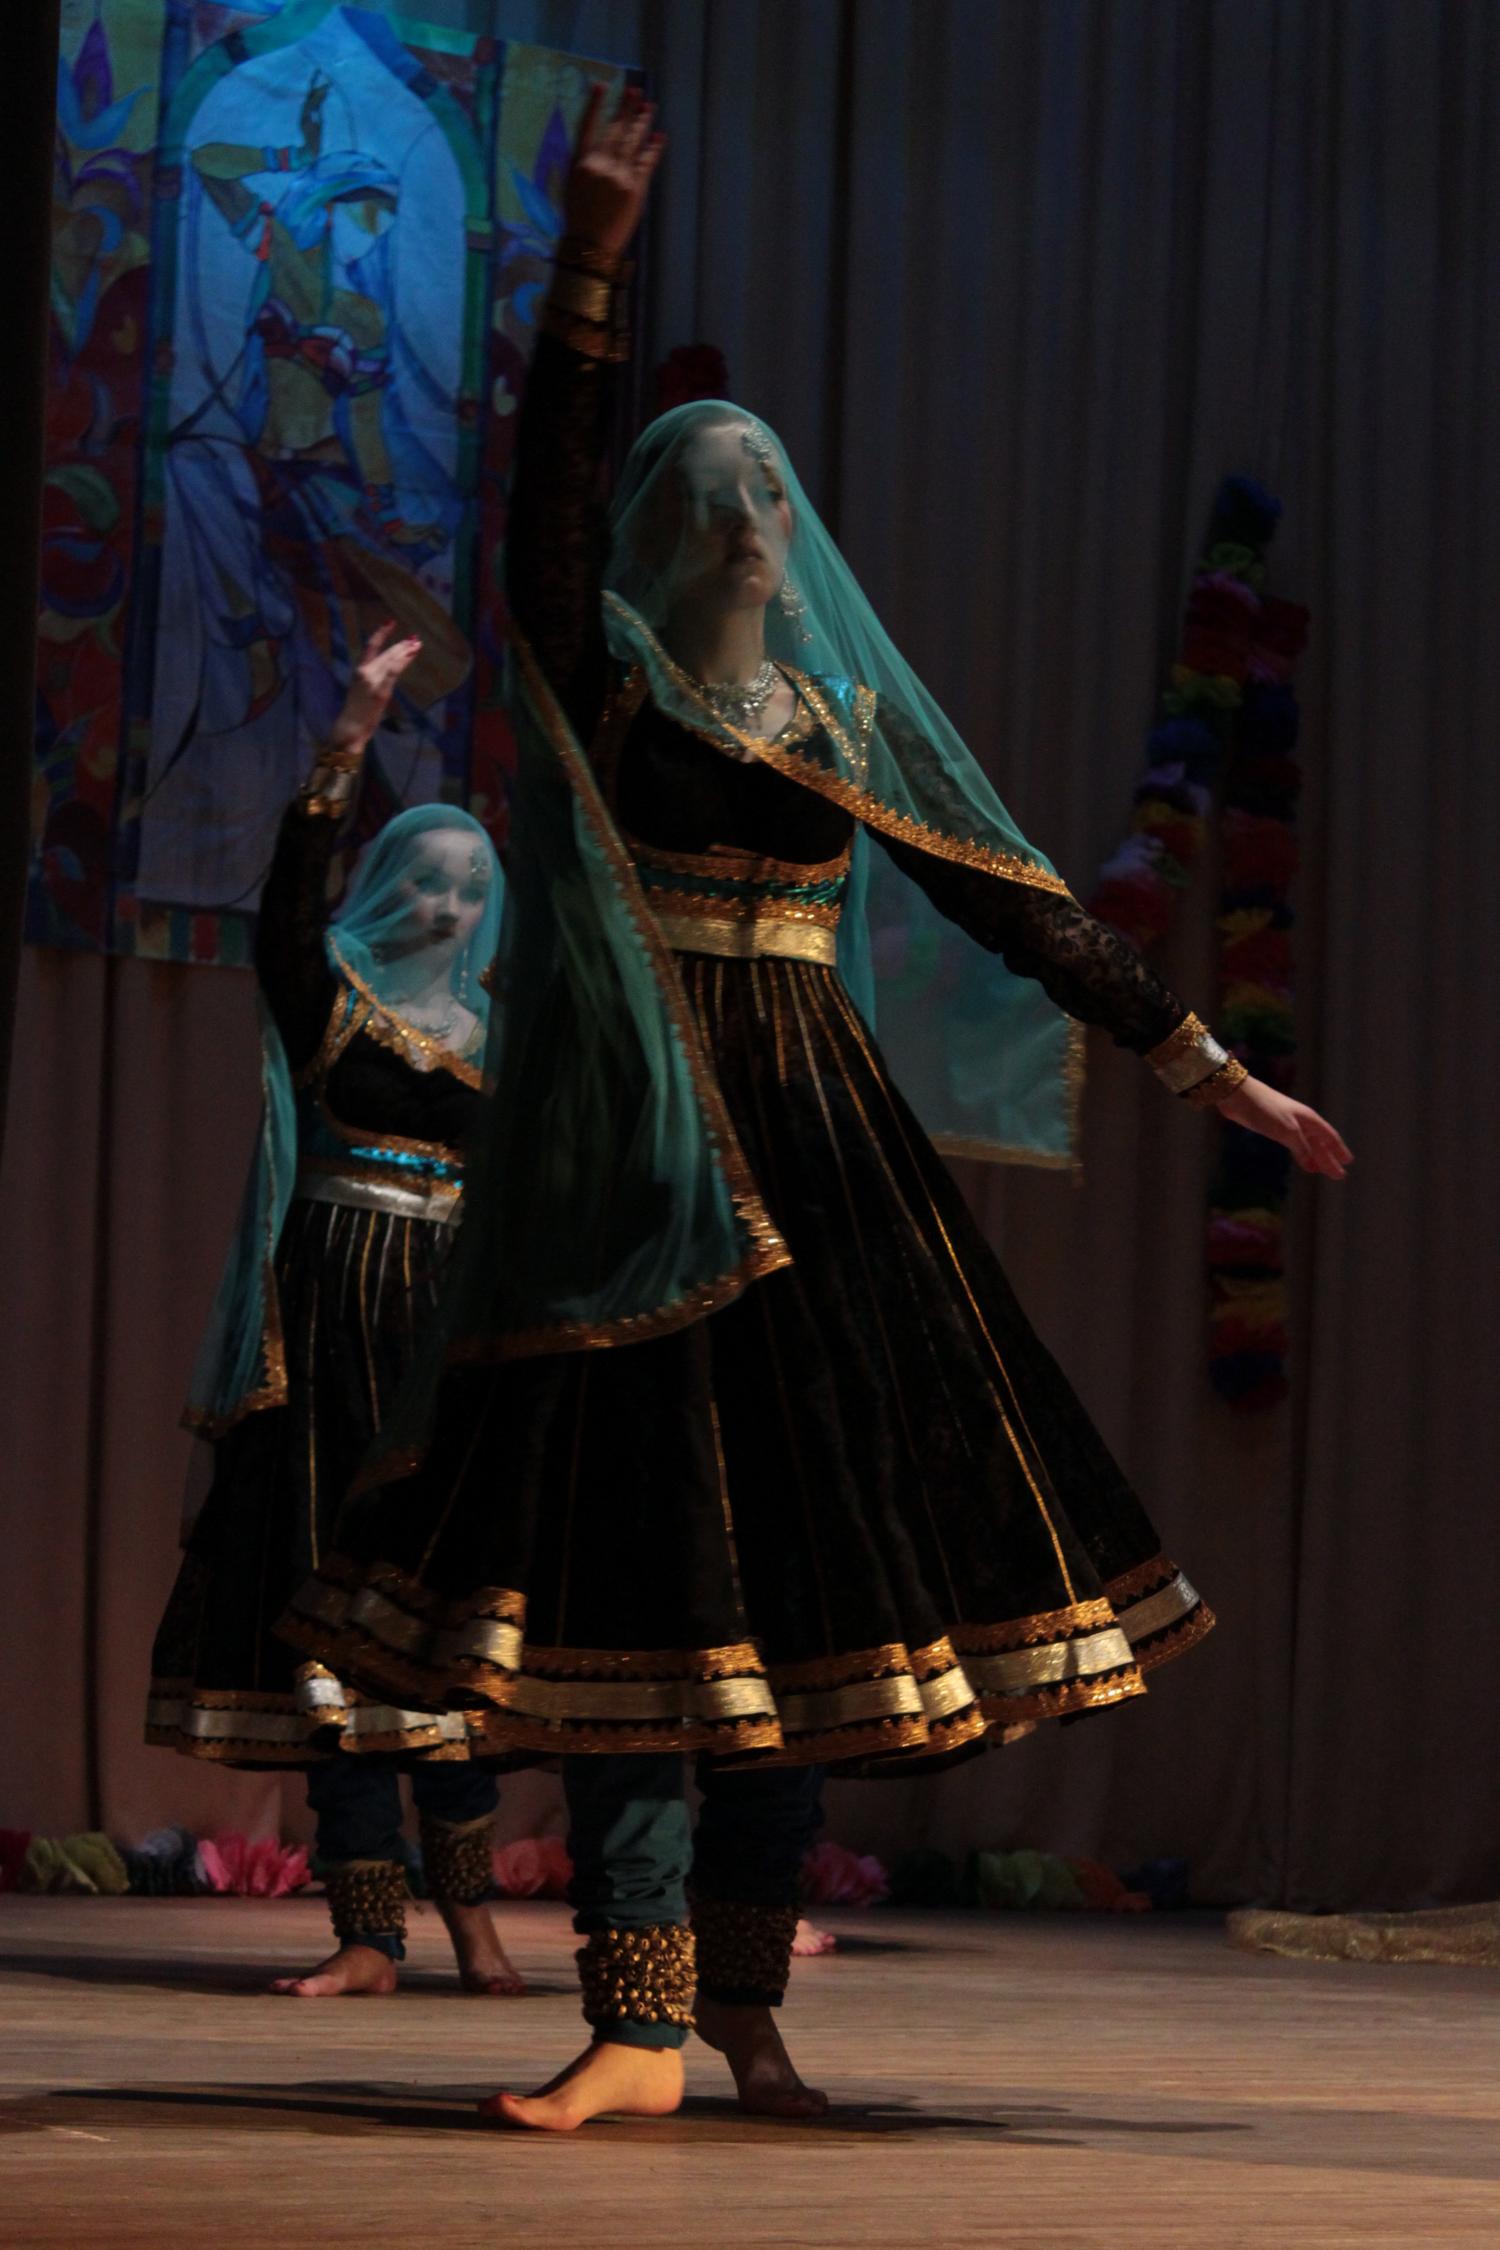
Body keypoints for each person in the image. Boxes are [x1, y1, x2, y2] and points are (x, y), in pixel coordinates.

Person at [280, 91, 1350, 2122]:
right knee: (633, 1595)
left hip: (819, 1158)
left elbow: (1012, 895)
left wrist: (1213, 1069)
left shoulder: (840, 719)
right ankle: (635, 2020)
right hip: (636, 1158)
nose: (748, 518)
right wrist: (590, 266)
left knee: (797, 1596)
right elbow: (542, 525)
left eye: (768, 490)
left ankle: (745, 2009)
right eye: (713, 495)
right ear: (666, 533)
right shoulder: (613, 679)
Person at [148, 627, 521, 1999]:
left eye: (469, 889)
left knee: (446, 1628)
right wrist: (350, 737)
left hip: (446, 1348)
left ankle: (475, 1921)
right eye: (423, 877)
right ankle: (369, 1931)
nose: (444, 904)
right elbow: (286, 910)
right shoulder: (333, 1004)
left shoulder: (506, 1038)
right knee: (328, 1628)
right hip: (325, 1338)